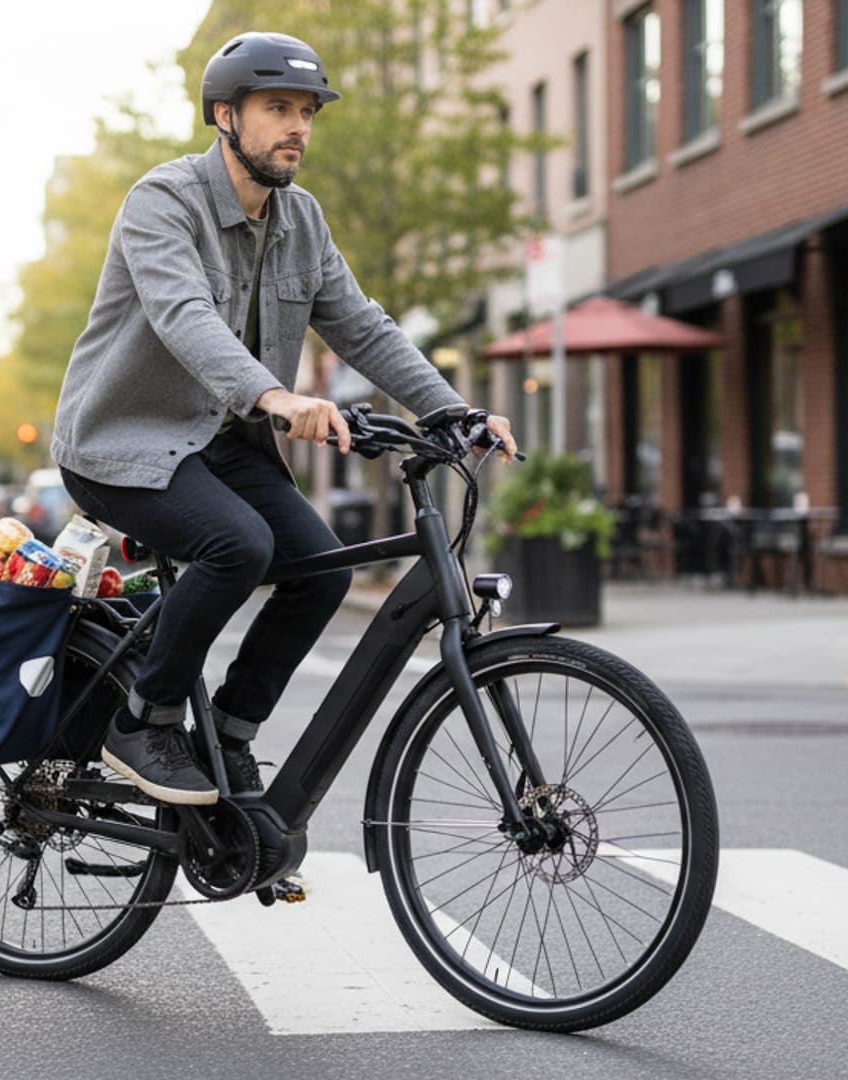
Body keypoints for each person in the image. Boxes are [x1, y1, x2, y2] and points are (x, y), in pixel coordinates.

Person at [49, 31, 519, 806]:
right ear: (225, 116)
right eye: (278, 108)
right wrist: (275, 396)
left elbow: (362, 326)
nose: (298, 126)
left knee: (318, 571)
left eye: (307, 111)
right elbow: (183, 316)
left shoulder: (302, 220)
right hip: (121, 445)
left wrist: (451, 409)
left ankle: (229, 734)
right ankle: (143, 720)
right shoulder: (162, 202)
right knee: (239, 545)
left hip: (225, 446)